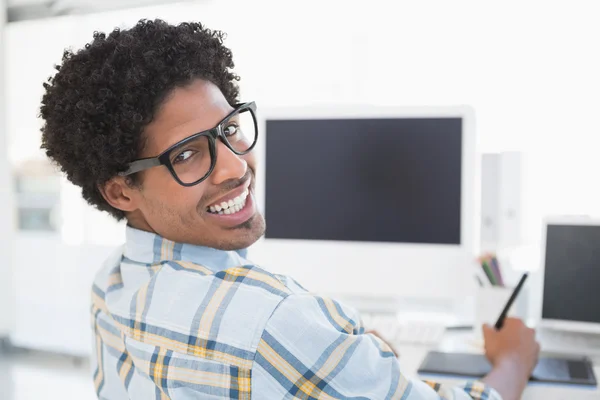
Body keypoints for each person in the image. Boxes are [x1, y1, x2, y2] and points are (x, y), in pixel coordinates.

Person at [40, 19, 539, 400]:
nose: (234, 168)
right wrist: (512, 363)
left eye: (229, 130)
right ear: (121, 192)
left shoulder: (110, 285)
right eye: (188, 154)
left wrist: (340, 355)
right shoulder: (275, 322)